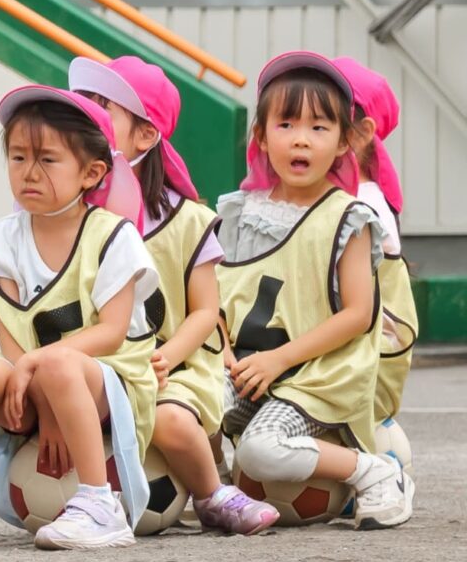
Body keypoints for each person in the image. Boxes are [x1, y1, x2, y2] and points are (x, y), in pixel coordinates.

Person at [0, 87, 158, 550]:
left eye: (47, 160)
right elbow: (9, 329)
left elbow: (111, 333)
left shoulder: (113, 236)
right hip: (31, 376)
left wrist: (39, 373)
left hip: (107, 382)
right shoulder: (3, 239)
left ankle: (100, 504)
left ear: (92, 172)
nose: (28, 173)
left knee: (59, 365)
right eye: (18, 158)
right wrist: (30, 376)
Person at [67, 55, 278, 535]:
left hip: (174, 364)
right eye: (83, 108)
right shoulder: (67, 212)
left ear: (144, 136)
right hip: (97, 359)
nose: (88, 120)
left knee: (169, 422)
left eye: (104, 109)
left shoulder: (188, 221)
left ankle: (212, 494)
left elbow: (206, 311)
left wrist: (168, 356)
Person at [212, 53, 411, 529]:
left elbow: (359, 314)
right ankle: (214, 489)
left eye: (319, 128)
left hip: (312, 376)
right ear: (260, 135)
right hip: (247, 367)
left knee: (263, 450)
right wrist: (220, 352)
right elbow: (213, 298)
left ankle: (375, 472)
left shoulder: (349, 218)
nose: (301, 137)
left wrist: (280, 360)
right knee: (188, 404)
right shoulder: (238, 212)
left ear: (345, 143)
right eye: (286, 123)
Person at [335, 57, 417, 447]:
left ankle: (376, 474)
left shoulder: (363, 206)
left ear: (358, 134)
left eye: (318, 120)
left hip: (359, 372)